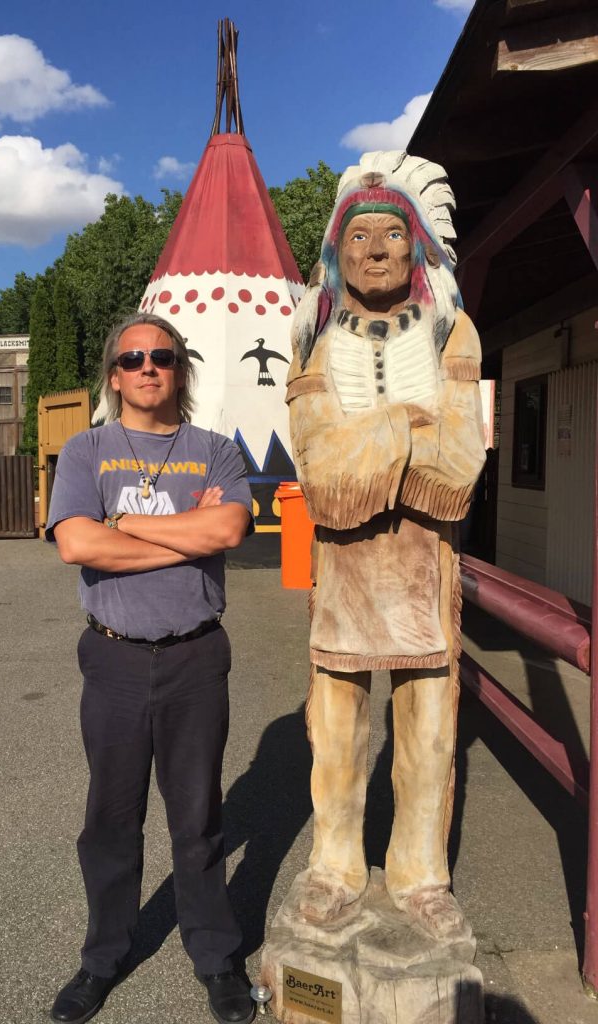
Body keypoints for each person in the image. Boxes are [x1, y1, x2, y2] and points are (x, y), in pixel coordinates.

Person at [286, 152, 486, 937]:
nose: (373, 249)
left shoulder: (452, 330)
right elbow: (322, 476)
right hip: (341, 567)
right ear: (337, 250)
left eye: (391, 233)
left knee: (430, 727)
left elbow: (461, 468)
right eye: (358, 234)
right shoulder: (311, 336)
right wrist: (407, 424)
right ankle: (333, 865)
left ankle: (420, 874)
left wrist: (365, 442)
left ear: (417, 249)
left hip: (425, 565)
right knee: (335, 727)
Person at [46, 312, 256, 1024]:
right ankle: (102, 958)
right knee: (110, 818)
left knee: (198, 818)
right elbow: (77, 544)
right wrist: (182, 537)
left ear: (180, 370)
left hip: (197, 653)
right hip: (114, 657)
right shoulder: (86, 450)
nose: (147, 367)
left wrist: (124, 526)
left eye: (161, 357)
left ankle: (216, 958)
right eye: (132, 358)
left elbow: (228, 529)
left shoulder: (216, 452)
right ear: (114, 375)